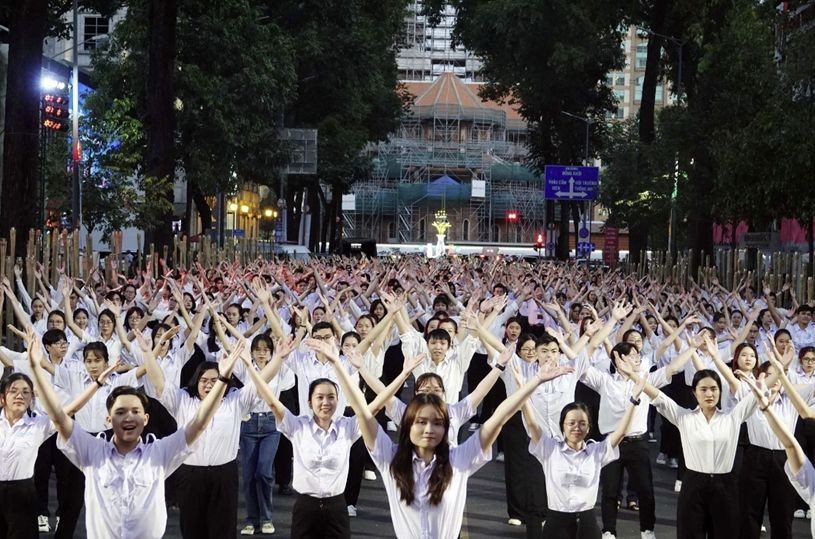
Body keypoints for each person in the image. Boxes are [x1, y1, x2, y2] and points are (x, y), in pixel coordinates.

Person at [315, 335, 573, 538]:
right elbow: (363, 412)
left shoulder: (459, 458)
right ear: (408, 422)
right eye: (421, 422)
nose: (429, 429)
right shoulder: (390, 457)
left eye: (438, 423)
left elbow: (499, 417)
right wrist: (339, 364)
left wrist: (534, 381)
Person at [24, 328, 242, 539]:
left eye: (136, 411)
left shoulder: (159, 453)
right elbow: (59, 417)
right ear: (109, 420)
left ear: (145, 419)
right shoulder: (92, 451)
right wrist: (35, 367)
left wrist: (222, 380)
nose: (129, 417)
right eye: (120, 412)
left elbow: (200, 422)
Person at [239, 338, 361, 539]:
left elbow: (369, 410)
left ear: (338, 401)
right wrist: (267, 361)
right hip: (305, 508)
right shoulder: (298, 425)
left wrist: (336, 362)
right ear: (309, 401)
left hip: (337, 507)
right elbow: (269, 398)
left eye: (331, 397)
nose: (325, 402)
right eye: (319, 397)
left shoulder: (347, 427)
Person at [625, 363, 758, 539]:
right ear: (694, 392)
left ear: (720, 391)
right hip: (693, 484)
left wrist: (778, 370)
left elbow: (756, 397)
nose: (709, 394)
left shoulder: (732, 417)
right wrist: (633, 376)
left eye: (713, 389)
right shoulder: (684, 417)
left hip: (725, 486)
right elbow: (660, 397)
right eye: (703, 389)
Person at [516, 358, 645, 539]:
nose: (577, 428)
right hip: (556, 522)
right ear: (562, 426)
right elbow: (531, 423)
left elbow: (622, 431)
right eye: (571, 423)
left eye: (582, 423)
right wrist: (524, 388)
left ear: (589, 427)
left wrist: (634, 399)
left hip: (587, 522)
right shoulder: (549, 448)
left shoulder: (596, 451)